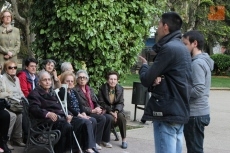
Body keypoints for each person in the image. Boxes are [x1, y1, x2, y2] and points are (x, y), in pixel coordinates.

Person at [138, 12, 192, 153]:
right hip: (178, 110)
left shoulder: (169, 48)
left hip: (167, 112)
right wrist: (160, 79)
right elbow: (176, 78)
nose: (157, 28)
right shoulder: (182, 49)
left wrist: (144, 66)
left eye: (159, 24)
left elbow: (146, 79)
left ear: (165, 26)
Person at [28, 70, 98, 153]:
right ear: (39, 82)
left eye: (49, 80)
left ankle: (78, 148)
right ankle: (64, 150)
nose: (47, 82)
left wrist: (68, 114)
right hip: (47, 122)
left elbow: (62, 106)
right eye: (45, 80)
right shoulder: (35, 94)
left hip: (61, 117)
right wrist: (47, 113)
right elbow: (34, 108)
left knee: (83, 122)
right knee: (66, 126)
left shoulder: (53, 92)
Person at [182, 30, 214, 153]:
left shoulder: (197, 64)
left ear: (194, 43)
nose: (183, 47)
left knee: (195, 150)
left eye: (185, 44)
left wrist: (181, 92)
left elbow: (199, 89)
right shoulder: (201, 61)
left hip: (195, 114)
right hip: (199, 113)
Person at [59, 71, 99, 153]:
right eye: (68, 81)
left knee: (93, 120)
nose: (70, 83)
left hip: (79, 115)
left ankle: (90, 144)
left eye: (72, 81)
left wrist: (83, 113)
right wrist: (80, 115)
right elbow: (67, 107)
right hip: (70, 116)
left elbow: (80, 105)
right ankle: (88, 147)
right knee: (87, 122)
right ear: (63, 82)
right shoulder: (62, 92)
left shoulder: (74, 92)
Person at [74, 70, 112, 149]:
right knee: (101, 118)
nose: (82, 79)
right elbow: (80, 106)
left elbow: (95, 101)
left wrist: (98, 108)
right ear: (77, 79)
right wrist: (92, 111)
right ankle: (95, 142)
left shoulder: (89, 89)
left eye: (84, 77)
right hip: (86, 112)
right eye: (80, 77)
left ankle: (105, 140)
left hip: (94, 110)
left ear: (87, 79)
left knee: (108, 117)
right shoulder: (75, 90)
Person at [97, 71, 128, 149]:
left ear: (117, 80)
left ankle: (124, 139)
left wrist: (116, 112)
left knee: (122, 118)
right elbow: (101, 102)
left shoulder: (120, 89)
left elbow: (121, 103)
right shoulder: (102, 88)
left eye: (115, 79)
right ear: (107, 80)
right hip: (107, 111)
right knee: (110, 118)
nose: (113, 81)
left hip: (117, 111)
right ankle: (105, 139)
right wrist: (111, 112)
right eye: (111, 79)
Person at [0, 60, 25, 150]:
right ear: (6, 70)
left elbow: (20, 91)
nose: (13, 69)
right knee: (12, 116)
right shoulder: (3, 78)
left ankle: (17, 138)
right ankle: (6, 140)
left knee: (20, 115)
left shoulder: (17, 79)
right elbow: (5, 94)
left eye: (15, 67)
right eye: (10, 68)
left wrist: (23, 98)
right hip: (8, 104)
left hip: (17, 104)